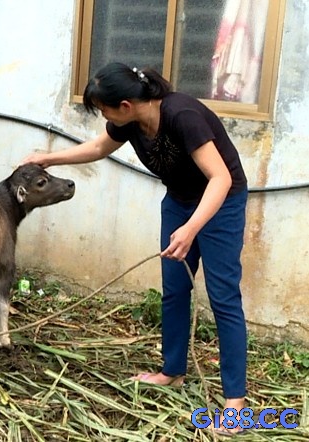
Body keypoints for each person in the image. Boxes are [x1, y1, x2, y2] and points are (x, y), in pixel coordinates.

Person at [22, 62, 248, 435]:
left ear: (126, 105)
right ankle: (172, 371)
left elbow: (220, 177)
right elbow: (98, 147)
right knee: (174, 290)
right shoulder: (130, 123)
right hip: (178, 201)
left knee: (224, 297)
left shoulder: (182, 115)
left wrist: (191, 229)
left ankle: (235, 402)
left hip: (220, 202)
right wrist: (47, 158)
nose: (104, 117)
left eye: (105, 110)